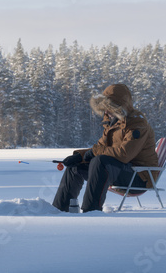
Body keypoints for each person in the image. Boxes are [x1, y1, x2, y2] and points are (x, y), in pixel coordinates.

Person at [52, 84, 158, 213]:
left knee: (100, 161)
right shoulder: (113, 123)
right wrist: (79, 156)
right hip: (121, 171)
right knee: (75, 166)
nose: (106, 112)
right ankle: (60, 209)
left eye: (109, 108)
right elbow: (100, 147)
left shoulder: (137, 125)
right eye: (104, 108)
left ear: (120, 107)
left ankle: (91, 211)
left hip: (139, 178)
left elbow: (124, 154)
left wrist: (95, 152)